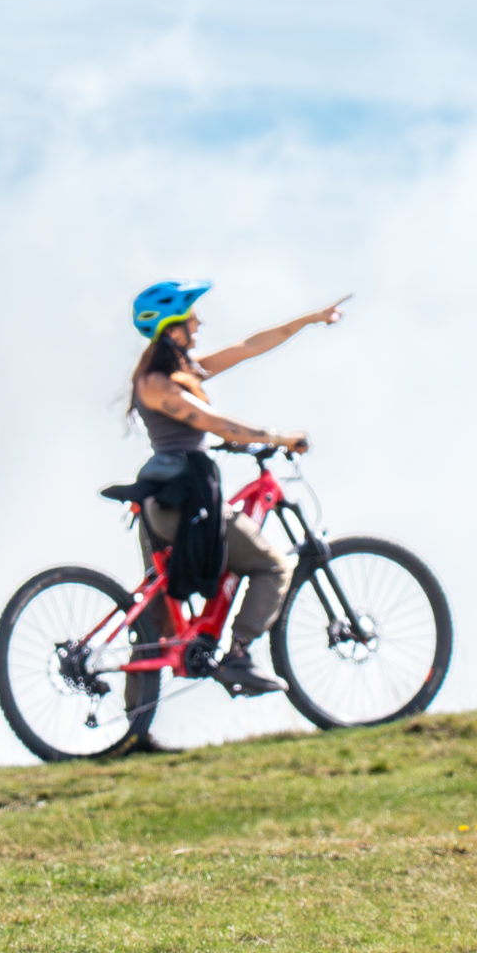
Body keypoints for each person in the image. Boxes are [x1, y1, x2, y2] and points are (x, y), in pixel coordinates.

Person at [125, 280, 344, 695]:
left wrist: (311, 319)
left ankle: (133, 732)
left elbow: (250, 346)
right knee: (274, 564)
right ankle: (239, 654)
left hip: (176, 498)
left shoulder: (185, 371)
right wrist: (276, 436)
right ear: (173, 326)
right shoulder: (158, 382)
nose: (199, 322)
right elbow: (212, 423)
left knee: (154, 621)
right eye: (192, 317)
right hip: (180, 502)